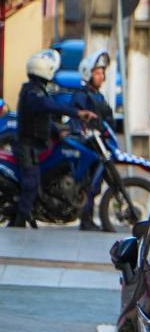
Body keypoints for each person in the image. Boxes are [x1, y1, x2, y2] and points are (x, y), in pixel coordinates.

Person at [10, 50, 97, 228]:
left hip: (37, 146)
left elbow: (43, 118)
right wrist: (77, 113)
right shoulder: (33, 93)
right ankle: (18, 222)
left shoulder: (39, 91)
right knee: (31, 184)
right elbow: (48, 107)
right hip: (28, 147)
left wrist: (59, 132)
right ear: (45, 69)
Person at [70, 51, 117, 230]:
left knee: (97, 184)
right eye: (97, 72)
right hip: (89, 147)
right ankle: (85, 219)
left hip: (101, 146)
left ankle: (88, 217)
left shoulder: (98, 95)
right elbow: (77, 121)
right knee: (89, 183)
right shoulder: (82, 95)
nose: (101, 76)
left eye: (102, 72)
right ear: (88, 74)